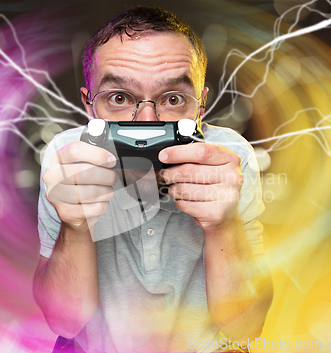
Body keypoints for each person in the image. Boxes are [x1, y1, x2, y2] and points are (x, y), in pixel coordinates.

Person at [34, 7, 273, 353]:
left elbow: (245, 330)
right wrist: (75, 226)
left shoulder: (230, 157)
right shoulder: (67, 156)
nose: (147, 121)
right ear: (90, 107)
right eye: (119, 98)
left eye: (173, 99)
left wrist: (224, 225)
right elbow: (63, 322)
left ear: (200, 107)